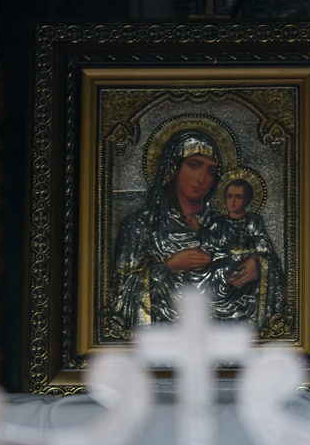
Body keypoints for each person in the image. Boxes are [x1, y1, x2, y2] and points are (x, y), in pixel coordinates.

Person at [108, 130, 283, 331]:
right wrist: (168, 266)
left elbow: (274, 271)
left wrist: (259, 266)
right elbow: (120, 295)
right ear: (173, 168)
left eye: (211, 171)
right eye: (194, 165)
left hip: (230, 334)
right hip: (165, 338)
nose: (202, 178)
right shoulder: (140, 225)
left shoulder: (223, 222)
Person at [200, 178, 285, 328]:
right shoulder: (218, 224)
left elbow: (264, 246)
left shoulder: (253, 221)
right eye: (229, 196)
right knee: (216, 272)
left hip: (243, 272)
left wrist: (250, 244)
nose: (233, 201)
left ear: (246, 200)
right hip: (221, 270)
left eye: (238, 197)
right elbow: (208, 247)